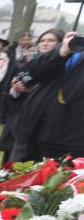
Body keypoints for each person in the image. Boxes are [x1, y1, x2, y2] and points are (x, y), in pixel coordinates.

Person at [10, 29, 84, 161]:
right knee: (16, 171)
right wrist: (61, 51)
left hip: (68, 142)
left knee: (56, 174)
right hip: (31, 129)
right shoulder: (69, 51)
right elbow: (32, 71)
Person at [0, 29, 62, 164]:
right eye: (42, 41)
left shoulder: (64, 68)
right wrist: (15, 90)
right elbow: (11, 97)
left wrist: (35, 90)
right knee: (11, 163)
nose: (45, 44)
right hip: (20, 122)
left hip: (44, 127)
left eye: (51, 41)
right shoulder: (29, 64)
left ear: (61, 44)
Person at [0, 32, 32, 123]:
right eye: (23, 39)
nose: (25, 42)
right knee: (4, 97)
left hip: (21, 78)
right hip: (8, 76)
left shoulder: (31, 51)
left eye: (27, 40)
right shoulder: (11, 51)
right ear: (19, 40)